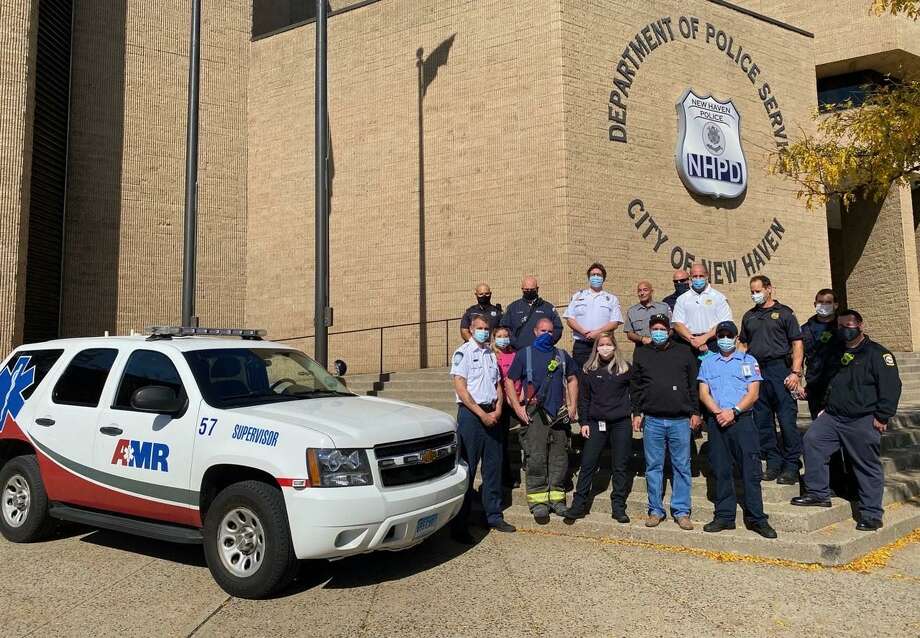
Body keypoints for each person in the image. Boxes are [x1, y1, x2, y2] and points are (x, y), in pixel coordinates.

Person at [792, 310, 902, 531]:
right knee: (812, 441)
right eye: (840, 325)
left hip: (862, 419)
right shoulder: (834, 352)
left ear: (860, 325)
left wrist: (882, 415)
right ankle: (818, 493)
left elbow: (892, 387)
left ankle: (871, 514)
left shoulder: (878, 354)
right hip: (833, 416)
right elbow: (825, 379)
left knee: (866, 465)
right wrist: (820, 403)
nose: (845, 329)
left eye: (849, 325)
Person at [698, 321, 777, 538]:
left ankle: (757, 518)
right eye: (721, 335)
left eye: (728, 335)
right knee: (721, 470)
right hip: (717, 422)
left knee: (750, 471)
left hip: (742, 421)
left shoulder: (748, 361)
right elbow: (704, 393)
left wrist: (733, 411)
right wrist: (718, 412)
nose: (724, 339)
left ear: (735, 338)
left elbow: (753, 394)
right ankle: (724, 516)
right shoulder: (708, 362)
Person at [630, 314, 701, 530]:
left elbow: (693, 384)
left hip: (680, 419)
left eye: (662, 328)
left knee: (681, 466)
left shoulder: (683, 351)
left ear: (669, 330)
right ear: (650, 331)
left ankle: (681, 511)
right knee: (653, 466)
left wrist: (695, 412)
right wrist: (636, 412)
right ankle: (655, 510)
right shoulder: (642, 352)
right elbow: (636, 385)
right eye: (655, 328)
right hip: (652, 419)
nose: (658, 332)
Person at [504, 317, 579, 522]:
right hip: (534, 413)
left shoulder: (562, 355)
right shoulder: (524, 355)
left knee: (559, 458)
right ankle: (538, 502)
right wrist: (517, 407)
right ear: (535, 332)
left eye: (550, 331)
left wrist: (573, 405)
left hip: (559, 414)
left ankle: (557, 499)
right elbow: (509, 380)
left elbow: (572, 379)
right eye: (543, 331)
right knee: (535, 457)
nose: (547, 334)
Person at [449, 316, 515, 543]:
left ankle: (493, 515)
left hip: (492, 415)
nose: (484, 332)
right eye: (480, 329)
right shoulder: (463, 353)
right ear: (470, 329)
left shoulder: (490, 354)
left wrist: (497, 409)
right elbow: (461, 388)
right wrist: (482, 414)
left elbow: (497, 384)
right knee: (467, 469)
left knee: (493, 467)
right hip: (472, 417)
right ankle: (460, 523)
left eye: (487, 329)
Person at [739, 275, 804, 485]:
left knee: (786, 422)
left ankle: (792, 465)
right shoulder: (749, 316)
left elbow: (797, 344)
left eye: (758, 290)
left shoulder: (785, 313)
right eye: (752, 291)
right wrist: (742, 371)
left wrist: (795, 372)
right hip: (758, 372)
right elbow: (743, 344)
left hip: (780, 370)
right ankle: (774, 463)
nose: (754, 294)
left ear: (769, 289)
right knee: (763, 422)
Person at [563, 332, 633, 523]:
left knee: (620, 465)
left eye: (608, 344)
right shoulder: (588, 369)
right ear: (596, 348)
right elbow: (584, 399)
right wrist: (584, 422)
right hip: (595, 422)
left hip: (620, 423)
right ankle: (579, 505)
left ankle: (618, 506)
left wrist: (636, 414)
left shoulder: (625, 368)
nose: (605, 348)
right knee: (588, 463)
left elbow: (635, 393)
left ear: (614, 346)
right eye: (601, 344)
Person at [563, 263, 623, 367]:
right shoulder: (578, 296)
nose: (596, 277)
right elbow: (570, 319)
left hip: (603, 344)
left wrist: (597, 333)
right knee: (581, 376)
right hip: (582, 345)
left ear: (603, 278)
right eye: (593, 275)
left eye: (599, 275)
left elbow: (614, 322)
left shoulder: (611, 299)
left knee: (603, 374)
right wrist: (584, 332)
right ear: (589, 278)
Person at [672, 263, 732, 357]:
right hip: (688, 344)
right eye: (695, 276)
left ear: (707, 276)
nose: (698, 279)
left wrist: (704, 338)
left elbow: (724, 322)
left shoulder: (719, 297)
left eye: (701, 276)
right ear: (690, 277)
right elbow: (677, 324)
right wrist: (692, 340)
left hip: (713, 343)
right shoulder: (682, 299)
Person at [801, 289, 841, 419]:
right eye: (820, 302)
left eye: (828, 302)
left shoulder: (843, 327)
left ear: (836, 305)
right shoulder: (805, 329)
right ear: (815, 304)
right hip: (815, 384)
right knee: (819, 424)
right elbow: (798, 356)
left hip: (840, 384)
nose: (823, 305)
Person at [501, 276, 563, 349]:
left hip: (542, 350)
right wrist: (514, 343)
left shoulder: (547, 307)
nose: (529, 291)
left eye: (532, 289)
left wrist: (549, 342)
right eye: (526, 289)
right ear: (522, 289)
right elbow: (504, 327)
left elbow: (558, 327)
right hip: (518, 350)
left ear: (537, 289)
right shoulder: (513, 307)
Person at [493, 325, 521, 488]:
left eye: (506, 335)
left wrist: (518, 398)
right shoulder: (492, 356)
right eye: (499, 336)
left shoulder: (516, 355)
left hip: (518, 400)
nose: (503, 339)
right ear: (494, 338)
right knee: (503, 443)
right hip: (502, 403)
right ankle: (507, 477)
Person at [625, 280, 670, 348]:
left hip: (663, 347)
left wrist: (664, 338)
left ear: (651, 292)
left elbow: (672, 328)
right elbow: (629, 333)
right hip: (642, 348)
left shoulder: (664, 307)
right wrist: (642, 339)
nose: (642, 293)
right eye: (639, 291)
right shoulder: (632, 311)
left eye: (645, 290)